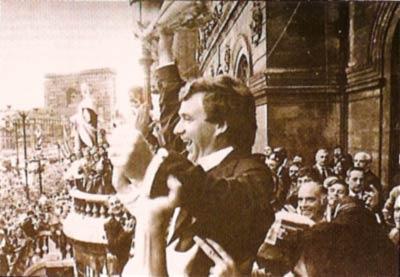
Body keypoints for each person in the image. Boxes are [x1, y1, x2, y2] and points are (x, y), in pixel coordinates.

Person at [122, 29, 275, 276]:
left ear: (221, 125)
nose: (178, 129)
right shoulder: (193, 154)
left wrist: (154, 166)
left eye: (188, 119)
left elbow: (221, 197)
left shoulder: (253, 172)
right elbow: (172, 113)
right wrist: (164, 50)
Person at [70, 82, 98, 153]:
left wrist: (76, 118)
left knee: (88, 138)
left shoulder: (89, 101)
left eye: (84, 90)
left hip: (87, 125)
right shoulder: (84, 102)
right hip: (84, 124)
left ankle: (89, 148)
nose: (83, 92)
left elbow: (88, 116)